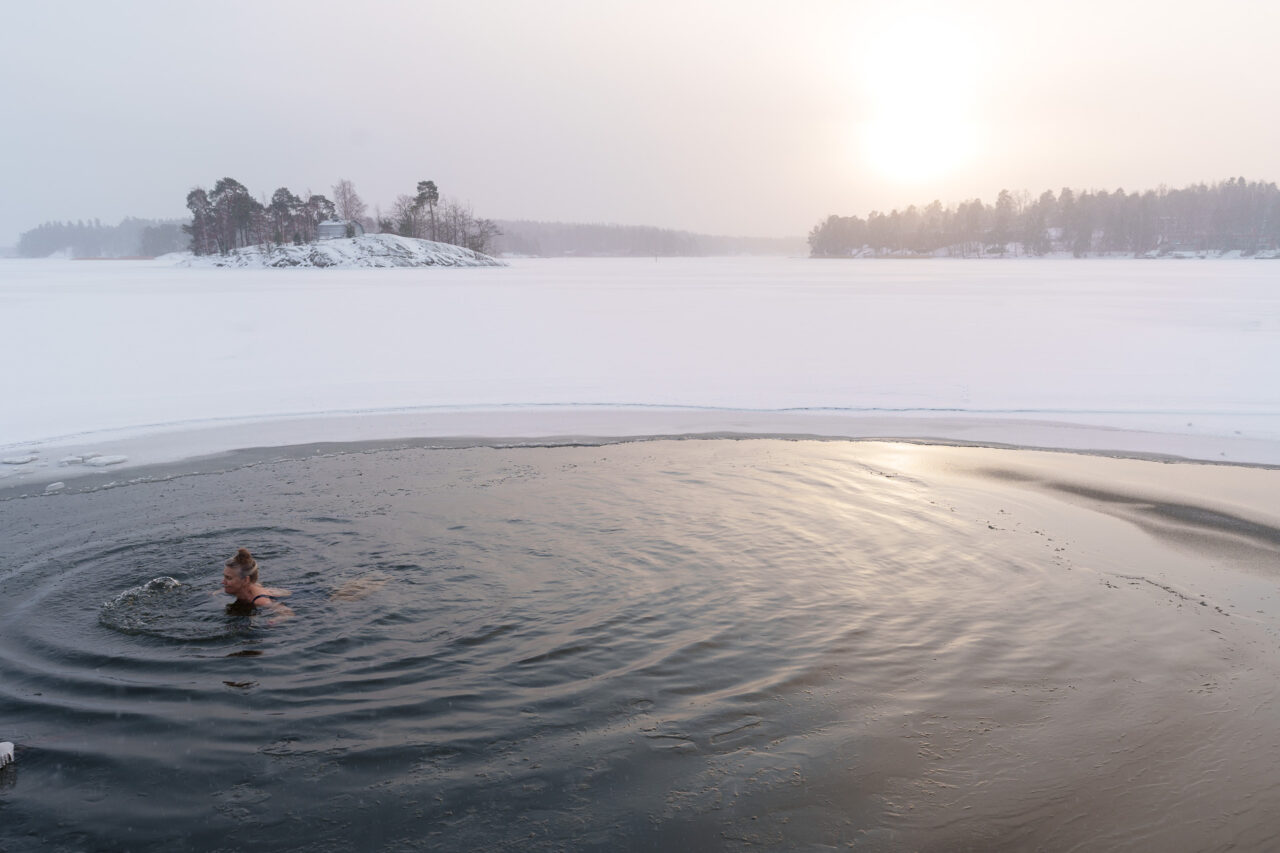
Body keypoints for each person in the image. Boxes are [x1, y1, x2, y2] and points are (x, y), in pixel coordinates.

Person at [222, 548, 293, 616]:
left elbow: (288, 613)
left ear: (245, 580)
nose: (223, 582)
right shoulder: (247, 586)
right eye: (224, 576)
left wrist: (276, 620)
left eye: (229, 578)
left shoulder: (261, 601)